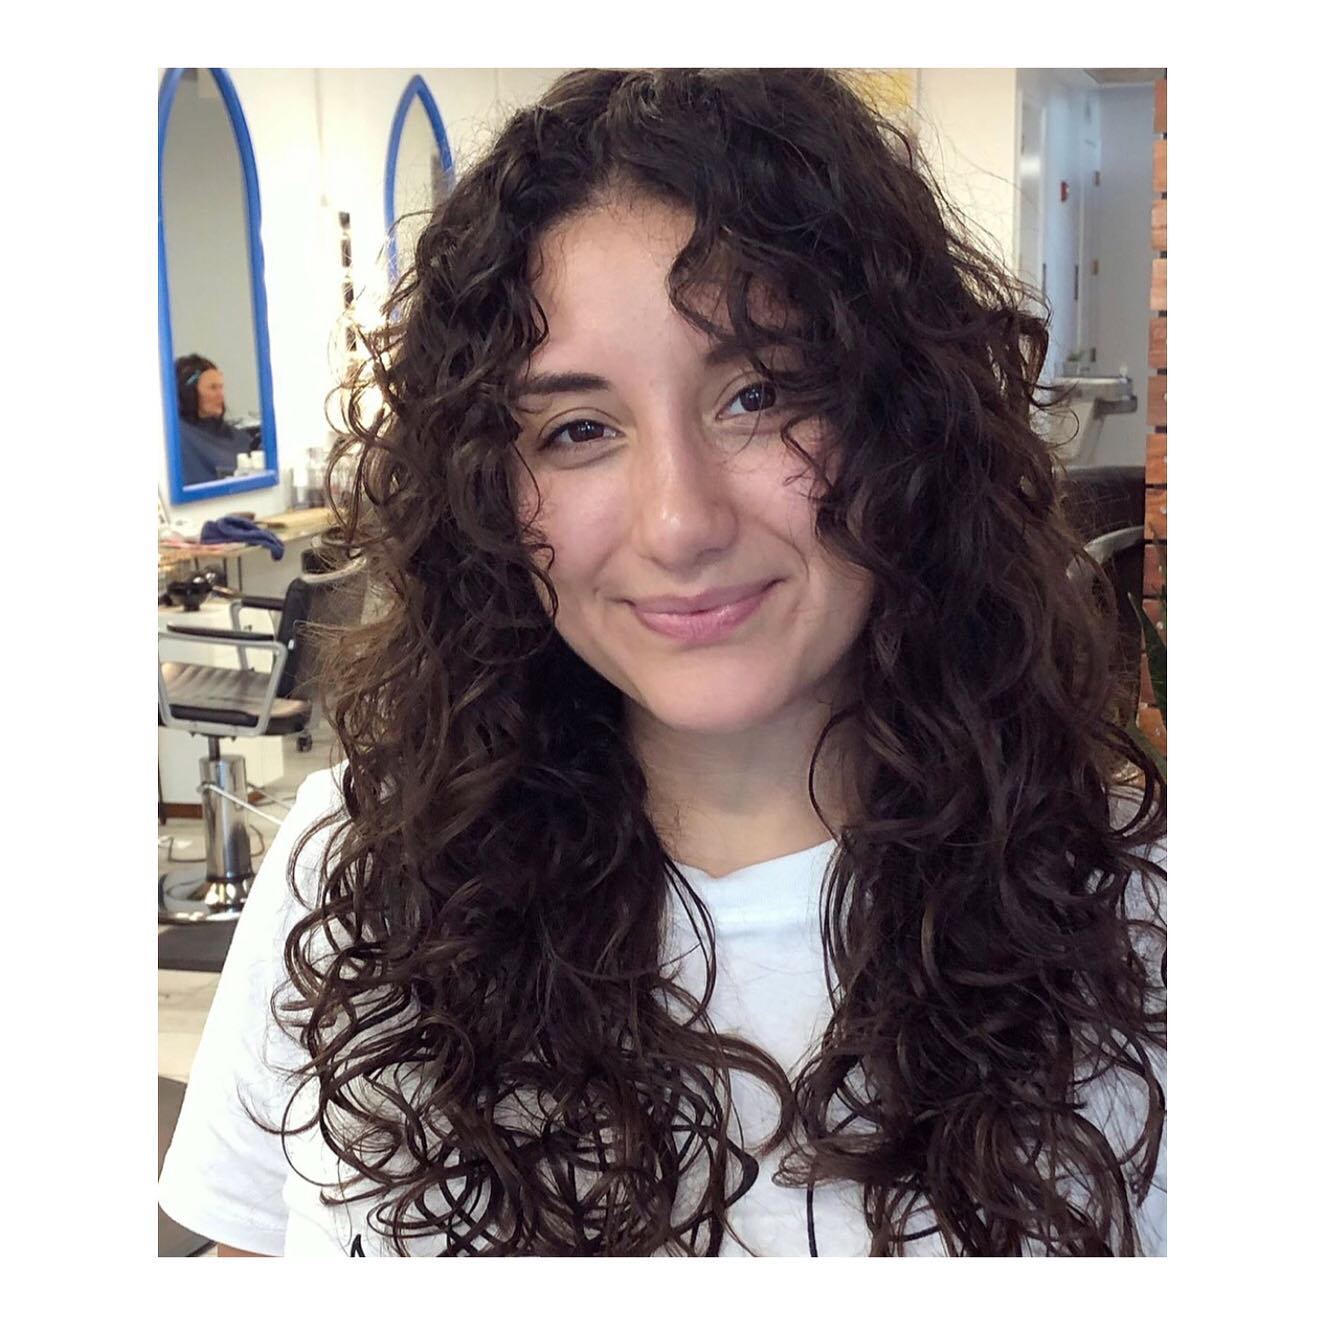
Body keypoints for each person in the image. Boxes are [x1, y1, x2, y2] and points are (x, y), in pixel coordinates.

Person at [157, 68, 1166, 1257]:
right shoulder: (351, 864)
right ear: (486, 494)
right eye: (577, 429)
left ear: (907, 421)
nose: (679, 523)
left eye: (760, 394)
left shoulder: (1148, 918)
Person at [174, 353, 253, 486]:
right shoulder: (178, 437)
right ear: (189, 392)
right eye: (213, 387)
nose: (221, 395)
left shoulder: (240, 438)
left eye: (221, 387)